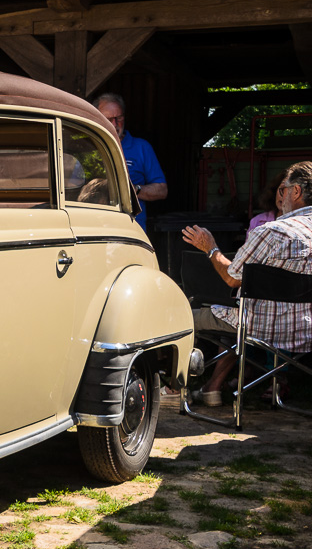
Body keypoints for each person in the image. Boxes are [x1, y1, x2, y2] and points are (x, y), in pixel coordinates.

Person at [181, 160, 312, 405]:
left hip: (260, 327)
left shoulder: (271, 231)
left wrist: (210, 248)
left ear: (296, 192)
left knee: (178, 316)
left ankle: (171, 390)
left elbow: (232, 277)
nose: (280, 196)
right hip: (307, 332)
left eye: (283, 190)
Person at [94, 93, 167, 230]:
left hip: (131, 230)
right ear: (97, 119)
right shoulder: (88, 147)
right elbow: (71, 187)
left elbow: (162, 190)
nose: (115, 124)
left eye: (119, 118)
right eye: (108, 119)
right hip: (95, 226)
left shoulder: (141, 147)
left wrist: (134, 190)